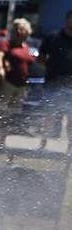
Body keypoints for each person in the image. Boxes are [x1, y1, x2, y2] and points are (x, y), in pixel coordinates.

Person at [0, 18, 36, 148]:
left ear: (27, 32)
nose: (18, 31)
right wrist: (0, 68)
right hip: (6, 83)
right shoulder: (5, 44)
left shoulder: (26, 48)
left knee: (10, 114)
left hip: (21, 85)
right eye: (16, 28)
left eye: (21, 28)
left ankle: (2, 140)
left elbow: (32, 62)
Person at [39, 11, 72, 151]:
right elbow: (40, 57)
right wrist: (50, 67)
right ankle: (42, 145)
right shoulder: (53, 37)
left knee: (71, 120)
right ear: (67, 20)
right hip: (53, 83)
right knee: (49, 115)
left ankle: (69, 149)